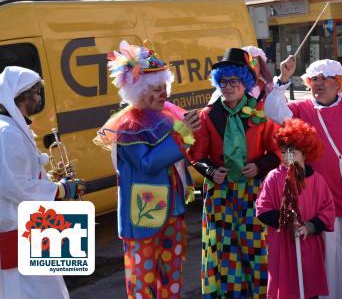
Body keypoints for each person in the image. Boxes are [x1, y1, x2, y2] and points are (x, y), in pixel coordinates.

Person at [94, 41, 198, 299]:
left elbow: (179, 160)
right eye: (155, 88)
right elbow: (147, 164)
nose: (163, 93)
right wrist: (181, 137)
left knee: (172, 273)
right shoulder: (127, 124)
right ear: (139, 92)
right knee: (143, 278)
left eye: (164, 87)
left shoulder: (169, 114)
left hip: (172, 209)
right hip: (144, 214)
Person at [265, 57, 342, 299]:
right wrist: (283, 79)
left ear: (340, 82)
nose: (318, 84)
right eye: (314, 79)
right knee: (326, 266)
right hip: (316, 204)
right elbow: (271, 109)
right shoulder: (300, 110)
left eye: (325, 78)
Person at [189, 48, 280, 299]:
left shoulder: (261, 114)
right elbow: (196, 154)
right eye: (223, 82)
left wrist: (260, 166)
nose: (227, 87)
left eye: (233, 82)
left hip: (253, 192)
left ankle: (260, 294)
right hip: (220, 193)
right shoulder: (207, 116)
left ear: (244, 82)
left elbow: (277, 151)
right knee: (224, 249)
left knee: (256, 247)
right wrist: (210, 171)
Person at [0, 66, 84, 299]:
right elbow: (14, 185)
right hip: (20, 231)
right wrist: (60, 190)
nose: (39, 98)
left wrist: (54, 181)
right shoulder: (7, 132)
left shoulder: (12, 128)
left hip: (31, 228)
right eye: (37, 92)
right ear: (24, 95)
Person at [256, 118, 336, 299]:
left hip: (309, 247)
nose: (286, 157)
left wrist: (309, 226)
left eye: (292, 152)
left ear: (306, 152)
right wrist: (286, 220)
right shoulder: (274, 178)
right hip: (282, 246)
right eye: (283, 152)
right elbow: (262, 208)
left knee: (308, 288)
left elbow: (328, 211)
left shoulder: (317, 181)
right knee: (285, 289)